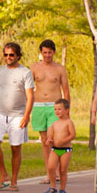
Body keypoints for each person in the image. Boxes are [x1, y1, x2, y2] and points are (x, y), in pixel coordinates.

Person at [0, 42, 35, 191]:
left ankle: (13, 181)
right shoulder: (0, 71)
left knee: (15, 148)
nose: (8, 57)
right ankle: (3, 174)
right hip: (0, 114)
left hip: (18, 115)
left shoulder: (25, 72)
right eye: (6, 55)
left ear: (18, 55)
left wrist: (26, 116)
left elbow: (30, 96)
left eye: (11, 55)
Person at [30, 39, 70, 168]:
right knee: (44, 141)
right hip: (39, 106)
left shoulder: (60, 69)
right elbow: (28, 89)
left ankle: (57, 169)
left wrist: (66, 110)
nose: (47, 55)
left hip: (55, 106)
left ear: (54, 52)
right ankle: (49, 172)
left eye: (50, 52)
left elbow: (66, 90)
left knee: (54, 139)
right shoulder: (34, 68)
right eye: (45, 52)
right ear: (41, 53)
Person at [43, 98, 76, 193]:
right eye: (55, 109)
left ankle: (62, 188)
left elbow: (73, 135)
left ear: (67, 110)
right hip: (55, 149)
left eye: (59, 109)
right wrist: (49, 140)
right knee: (51, 167)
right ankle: (52, 186)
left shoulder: (68, 122)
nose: (57, 111)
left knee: (62, 170)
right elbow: (50, 136)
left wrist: (63, 141)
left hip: (65, 150)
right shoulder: (54, 124)